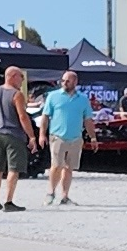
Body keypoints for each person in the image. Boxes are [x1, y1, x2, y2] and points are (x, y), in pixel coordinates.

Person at [0, 68, 32, 212]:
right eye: (21, 77)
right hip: (14, 134)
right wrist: (31, 136)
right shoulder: (17, 95)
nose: (22, 80)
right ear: (12, 76)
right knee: (13, 168)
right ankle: (9, 201)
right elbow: (23, 116)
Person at [40, 71, 87, 206]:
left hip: (76, 137)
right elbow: (45, 116)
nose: (64, 83)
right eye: (63, 80)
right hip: (57, 136)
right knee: (56, 166)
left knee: (69, 168)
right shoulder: (53, 96)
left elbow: (88, 119)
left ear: (75, 82)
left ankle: (65, 196)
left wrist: (93, 137)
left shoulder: (83, 99)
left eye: (67, 81)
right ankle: (51, 192)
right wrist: (42, 134)